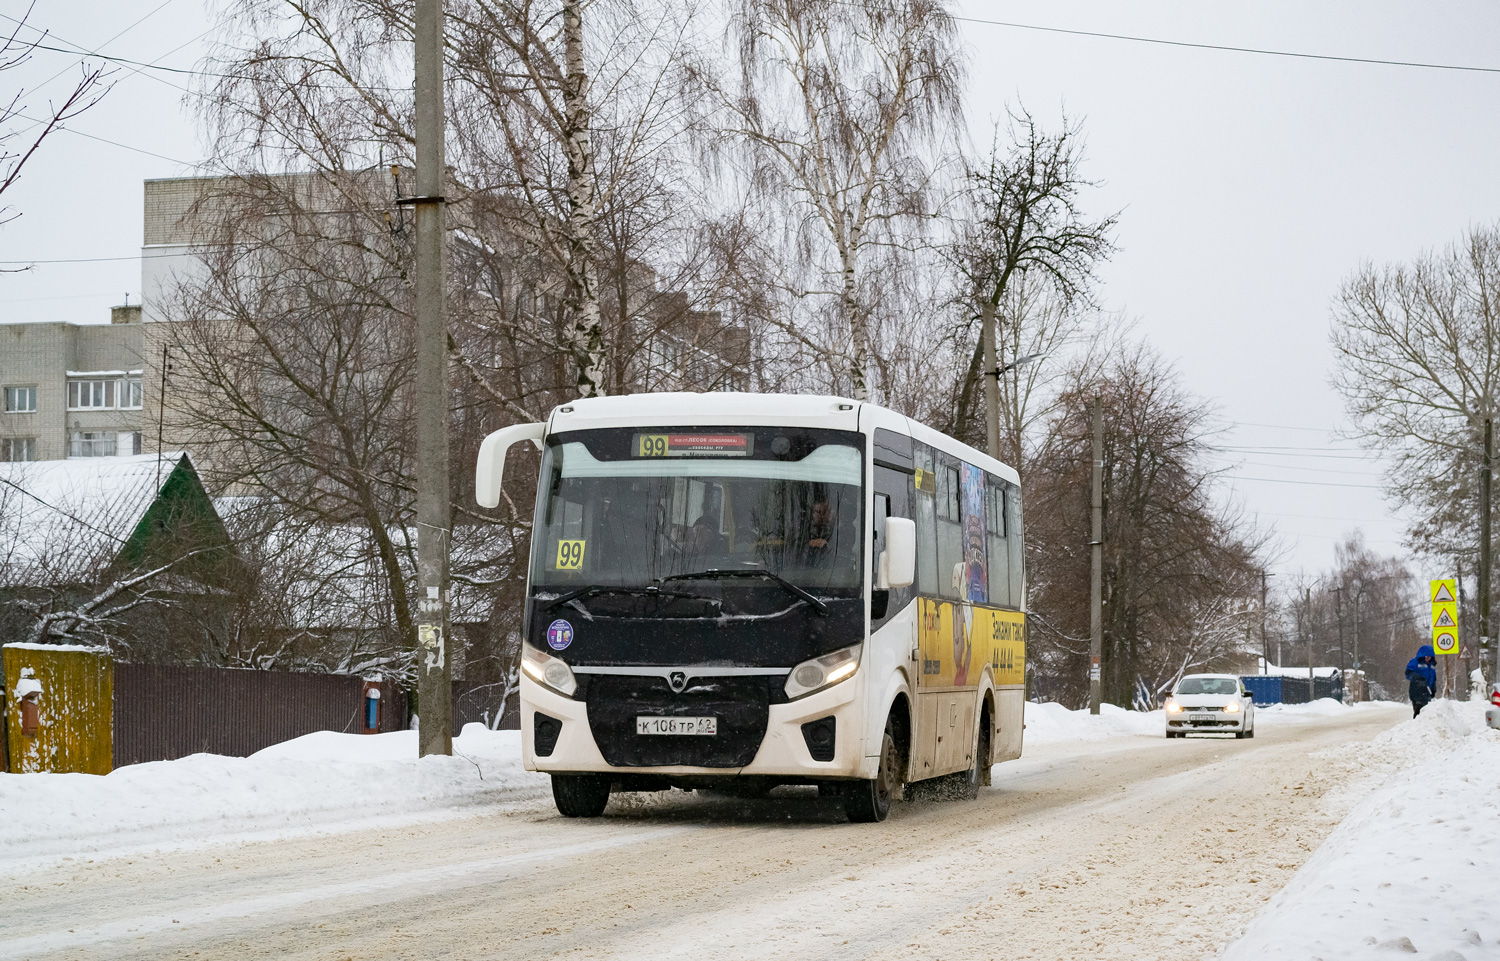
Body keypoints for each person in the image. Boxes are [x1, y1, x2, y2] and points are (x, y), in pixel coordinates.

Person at [1404, 644, 1437, 718]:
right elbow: (1408, 673)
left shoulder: (1431, 666)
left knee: (1426, 712)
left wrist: (1433, 689)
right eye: (1427, 656)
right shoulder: (1415, 662)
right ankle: (1416, 726)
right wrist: (1417, 678)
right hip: (1417, 691)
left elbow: (1433, 678)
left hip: (1428, 692)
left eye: (1430, 657)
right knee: (1419, 711)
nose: (1428, 658)